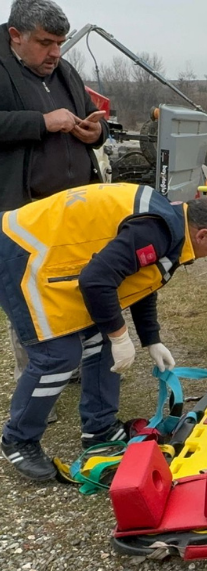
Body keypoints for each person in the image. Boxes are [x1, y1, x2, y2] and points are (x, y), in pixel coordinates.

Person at [0, 183, 207, 481]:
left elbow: (141, 282)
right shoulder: (157, 229)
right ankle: (18, 439)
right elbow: (96, 280)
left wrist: (151, 339)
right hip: (19, 253)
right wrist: (121, 336)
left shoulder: (171, 225)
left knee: (102, 343)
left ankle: (99, 430)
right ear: (202, 234)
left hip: (42, 252)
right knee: (57, 356)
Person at [0, 0, 110, 419]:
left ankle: (72, 361)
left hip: (72, 207)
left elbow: (88, 120)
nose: (55, 53)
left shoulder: (62, 70)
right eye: (45, 43)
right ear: (16, 36)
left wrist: (94, 131)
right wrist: (41, 122)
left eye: (60, 43)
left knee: (73, 282)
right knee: (29, 294)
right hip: (19, 209)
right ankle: (37, 370)